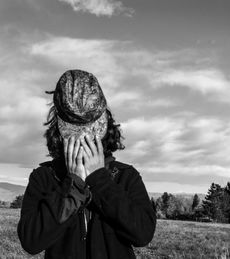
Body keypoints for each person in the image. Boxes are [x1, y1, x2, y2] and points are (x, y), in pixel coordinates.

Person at [17, 69, 157, 259]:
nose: (83, 140)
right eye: (77, 136)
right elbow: (31, 241)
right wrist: (73, 186)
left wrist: (100, 181)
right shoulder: (44, 177)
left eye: (90, 136)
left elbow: (142, 234)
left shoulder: (125, 176)